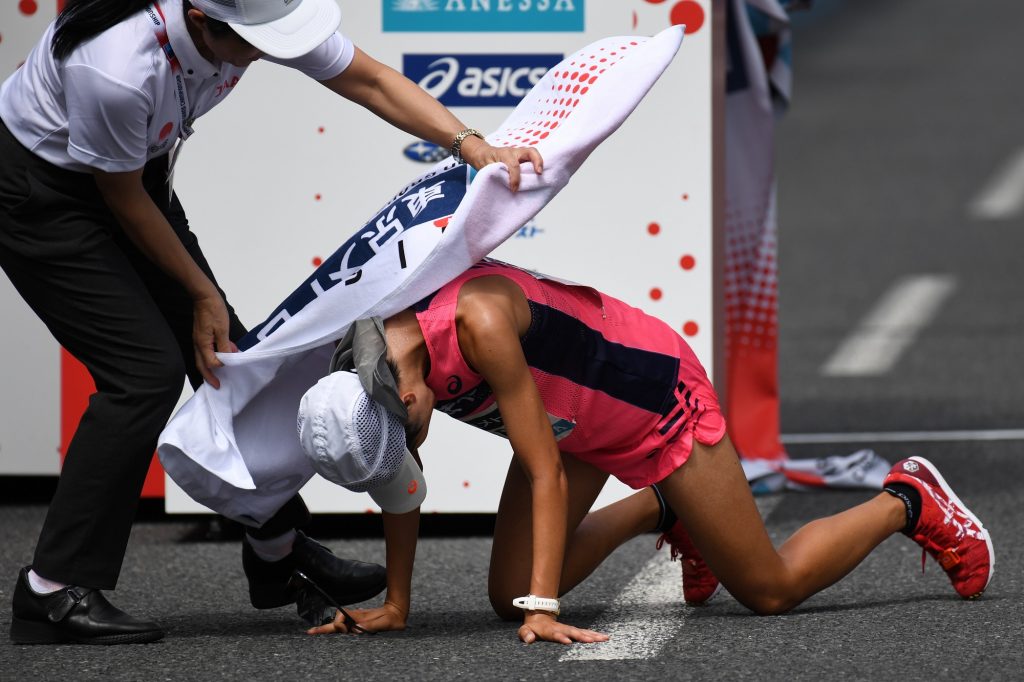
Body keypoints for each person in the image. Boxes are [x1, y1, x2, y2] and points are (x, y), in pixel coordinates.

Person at [0, 0, 542, 645]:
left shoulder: (247, 18)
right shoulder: (116, 67)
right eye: (259, 41)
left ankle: (278, 553)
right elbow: (118, 198)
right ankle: (52, 589)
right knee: (142, 374)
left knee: (233, 360)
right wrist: (201, 292)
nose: (273, 50)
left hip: (133, 179)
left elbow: (369, 79)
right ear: (201, 20)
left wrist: (471, 146)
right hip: (42, 198)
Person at [296, 259, 994, 645]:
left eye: (403, 440)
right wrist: (397, 602)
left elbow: (540, 470)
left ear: (404, 399)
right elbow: (402, 488)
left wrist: (547, 607)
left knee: (770, 591)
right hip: (571, 422)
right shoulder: (365, 372)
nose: (406, 450)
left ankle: (907, 499)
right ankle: (664, 510)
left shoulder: (477, 323)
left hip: (651, 396)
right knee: (509, 599)